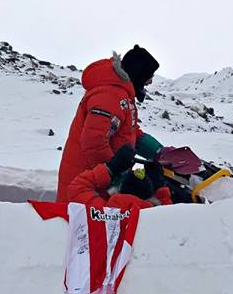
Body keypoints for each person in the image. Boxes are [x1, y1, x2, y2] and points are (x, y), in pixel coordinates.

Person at [57, 46, 165, 201]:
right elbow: (94, 142)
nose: (149, 83)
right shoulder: (109, 95)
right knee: (79, 224)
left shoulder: (121, 93)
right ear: (137, 75)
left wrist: (158, 151)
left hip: (97, 181)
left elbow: (129, 131)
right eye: (147, 80)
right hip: (85, 184)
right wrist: (116, 174)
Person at [68, 152, 172, 211]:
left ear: (122, 188)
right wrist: (160, 186)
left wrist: (110, 168)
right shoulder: (156, 216)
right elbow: (169, 213)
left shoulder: (102, 211)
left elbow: (78, 187)